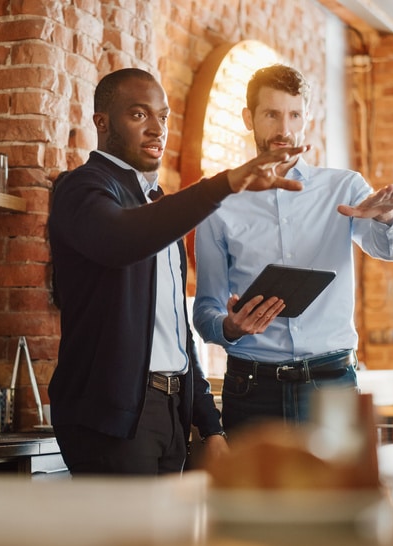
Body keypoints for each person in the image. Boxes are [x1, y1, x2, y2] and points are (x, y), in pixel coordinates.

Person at [47, 68, 309, 475]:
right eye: (139, 115)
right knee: (132, 540)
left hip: (170, 414)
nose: (156, 129)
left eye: (163, 117)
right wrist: (222, 185)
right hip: (111, 422)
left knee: (169, 539)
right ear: (102, 122)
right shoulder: (81, 188)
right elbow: (120, 240)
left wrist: (210, 424)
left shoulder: (155, 203)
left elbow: (175, 330)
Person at [193, 64, 393, 433]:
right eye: (271, 115)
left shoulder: (344, 187)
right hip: (252, 389)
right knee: (254, 494)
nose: (284, 129)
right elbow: (205, 311)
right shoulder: (221, 201)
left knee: (338, 493)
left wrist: (385, 218)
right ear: (249, 118)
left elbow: (392, 250)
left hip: (331, 384)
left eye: (294, 115)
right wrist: (229, 327)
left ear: (306, 117)